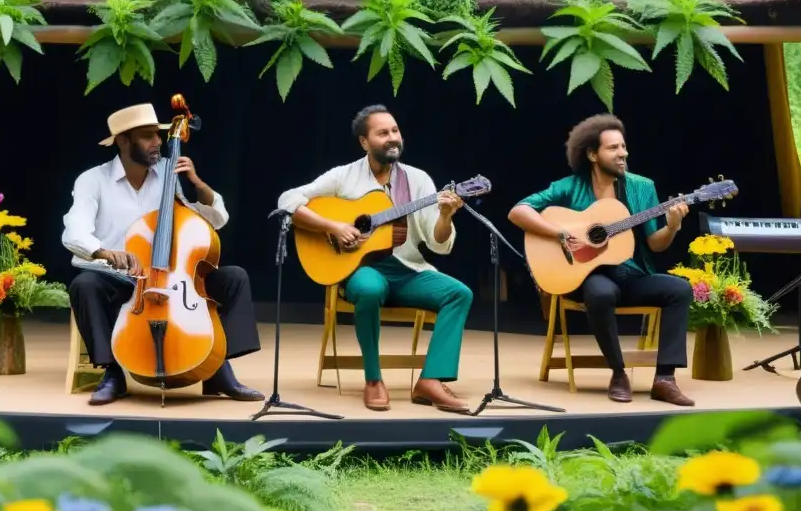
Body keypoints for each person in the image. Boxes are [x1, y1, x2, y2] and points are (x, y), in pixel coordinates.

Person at [61, 103, 264, 406]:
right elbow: (73, 231)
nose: (157, 142)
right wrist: (105, 252)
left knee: (234, 277)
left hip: (172, 277)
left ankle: (217, 369)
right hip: (118, 276)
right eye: (147, 136)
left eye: (159, 135)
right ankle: (113, 373)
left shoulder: (170, 173)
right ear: (123, 141)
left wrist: (198, 185)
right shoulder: (93, 180)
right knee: (84, 284)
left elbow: (216, 219)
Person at [277, 104, 473, 414]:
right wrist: (333, 226)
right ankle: (373, 379)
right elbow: (288, 200)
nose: (393, 138)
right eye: (383, 133)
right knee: (368, 288)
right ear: (364, 142)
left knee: (459, 293)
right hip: (361, 269)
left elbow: (438, 244)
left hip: (408, 271)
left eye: (395, 131)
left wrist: (446, 215)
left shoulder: (417, 180)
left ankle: (431, 380)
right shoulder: (344, 176)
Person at [508, 113, 695, 406]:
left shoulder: (641, 187)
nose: (623, 153)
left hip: (631, 276)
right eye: (613, 148)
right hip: (585, 277)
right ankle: (619, 372)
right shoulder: (570, 186)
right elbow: (519, 211)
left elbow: (655, 245)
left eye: (623, 146)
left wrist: (671, 226)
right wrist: (560, 234)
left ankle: (665, 379)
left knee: (679, 289)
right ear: (593, 154)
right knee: (600, 291)